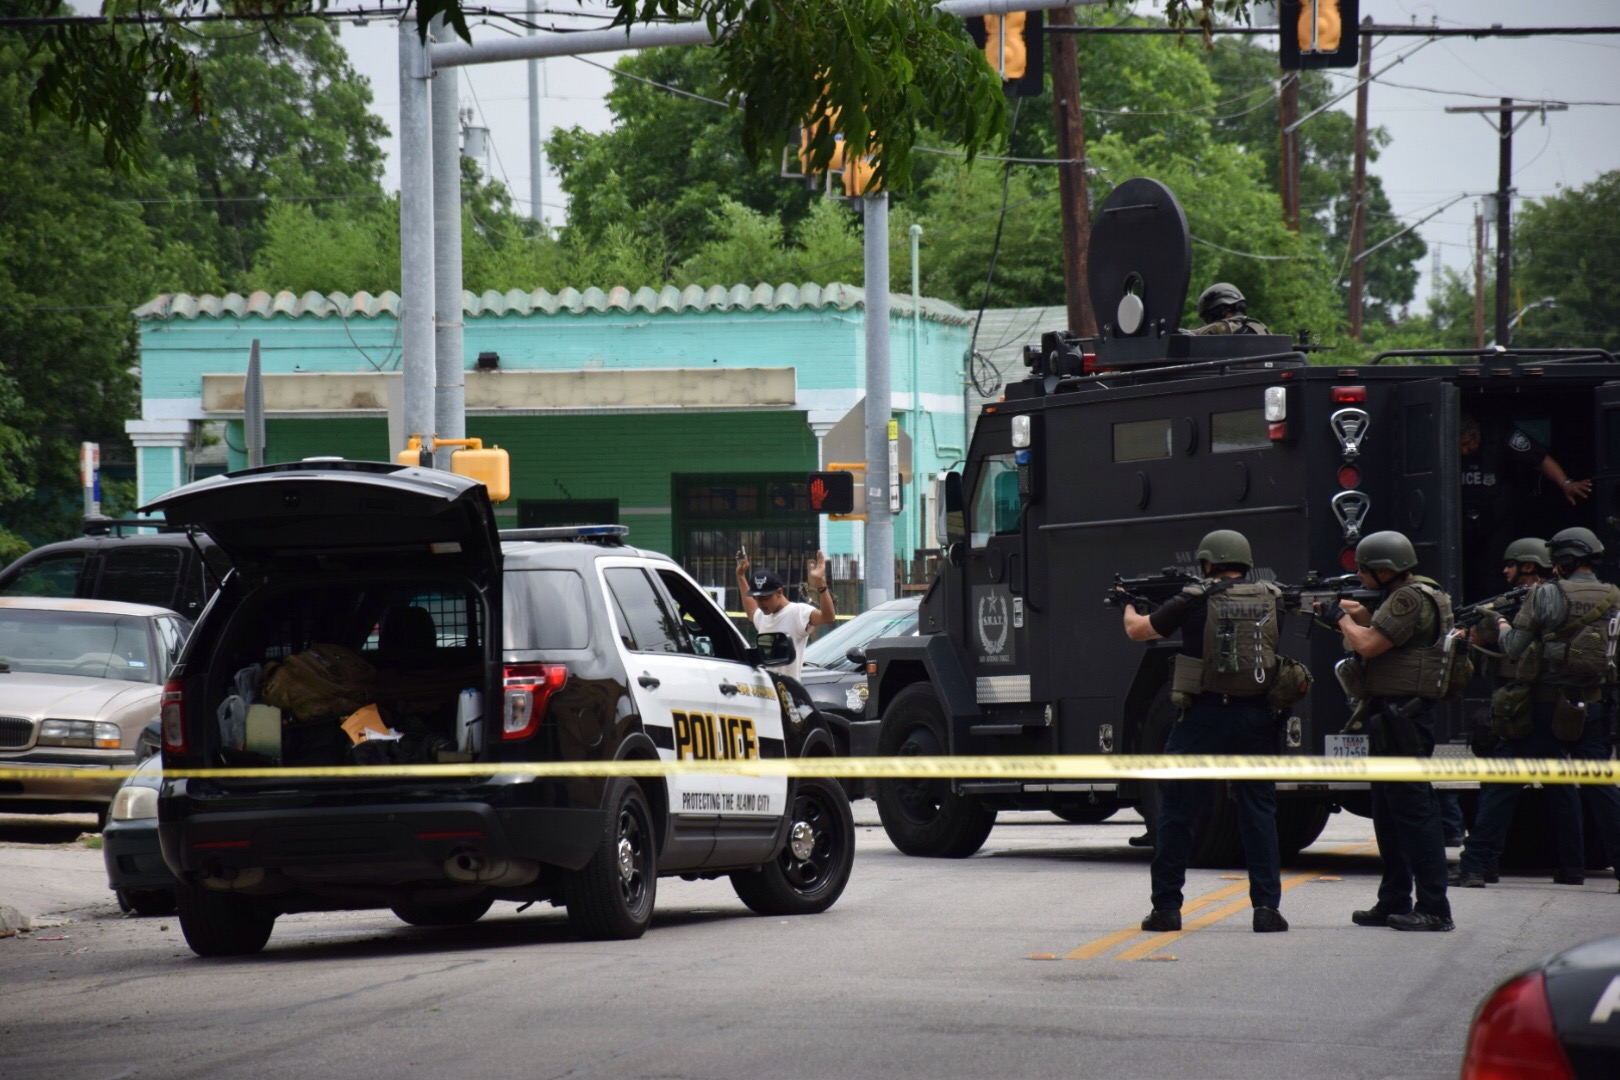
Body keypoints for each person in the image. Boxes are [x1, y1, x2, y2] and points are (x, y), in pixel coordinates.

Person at [1119, 529, 1289, 935]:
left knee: (1177, 811)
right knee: (1259, 815)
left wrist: (1128, 604)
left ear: (1209, 563)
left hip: (1202, 718)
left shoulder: (1194, 600)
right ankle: (1266, 909)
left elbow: (1139, 631)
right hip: (1256, 718)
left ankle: (1167, 909)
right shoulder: (1272, 597)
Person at [1331, 530, 1455, 931]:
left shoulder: (1408, 598)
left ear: (1386, 571)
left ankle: (1435, 907)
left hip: (1405, 719)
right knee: (1388, 814)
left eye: (1366, 571)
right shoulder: (1416, 595)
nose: (1362, 577)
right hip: (1394, 717)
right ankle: (1394, 899)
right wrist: (1344, 610)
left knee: (1414, 814)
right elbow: (1380, 624)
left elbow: (1368, 644)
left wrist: (1338, 617)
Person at [1493, 526, 1620, 890]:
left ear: (1564, 560)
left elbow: (1515, 647)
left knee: (1510, 782)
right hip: (1592, 706)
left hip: (1547, 707)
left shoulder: (1547, 594)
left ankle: (1477, 865)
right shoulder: (1613, 595)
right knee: (1602, 789)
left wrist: (1499, 624)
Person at [1452, 537, 1583, 888]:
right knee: (1563, 789)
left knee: (1498, 788)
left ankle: (1477, 864)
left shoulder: (1526, 602)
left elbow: (1483, 639)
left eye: (1510, 565)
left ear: (1527, 566)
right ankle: (1572, 867)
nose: (1505, 571)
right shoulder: (1568, 597)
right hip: (1564, 704)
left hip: (1527, 707)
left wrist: (1483, 628)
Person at [1459, 413, 1591, 602]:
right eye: (1460, 446)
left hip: (1498, 522)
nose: (1465, 451)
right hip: (1464, 524)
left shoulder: (1498, 435)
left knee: (1494, 575)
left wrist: (1566, 483)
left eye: (1468, 442)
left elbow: (1539, 458)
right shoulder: (1447, 444)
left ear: (1477, 431)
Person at [736, 549, 835, 681]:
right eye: (756, 598)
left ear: (779, 592)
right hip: (768, 690)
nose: (759, 603)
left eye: (764, 598)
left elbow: (828, 617)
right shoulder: (763, 615)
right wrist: (741, 576)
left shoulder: (798, 612)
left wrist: (821, 584)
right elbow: (751, 612)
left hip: (788, 691)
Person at [1190, 282, 1268, 336]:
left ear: (1222, 311)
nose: (1207, 324)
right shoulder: (1258, 327)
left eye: (1208, 319)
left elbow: (1197, 335)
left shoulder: (1226, 327)